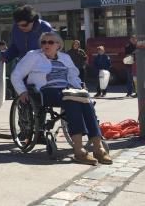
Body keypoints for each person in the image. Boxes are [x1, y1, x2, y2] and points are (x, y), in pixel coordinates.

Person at [11, 32, 112, 166]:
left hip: (66, 90)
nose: (46, 44)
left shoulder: (65, 57)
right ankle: (79, 150)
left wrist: (80, 90)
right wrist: (22, 91)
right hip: (45, 90)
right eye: (44, 42)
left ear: (58, 45)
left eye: (50, 42)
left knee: (85, 100)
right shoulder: (33, 56)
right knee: (72, 101)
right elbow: (16, 74)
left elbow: (73, 76)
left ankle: (98, 147)